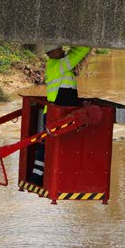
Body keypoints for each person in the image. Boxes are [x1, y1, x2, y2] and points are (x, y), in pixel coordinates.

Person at [30, 45, 91, 185]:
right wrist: (85, 40)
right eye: (59, 49)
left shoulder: (56, 65)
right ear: (51, 53)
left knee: (46, 145)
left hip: (55, 111)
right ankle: (38, 177)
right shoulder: (60, 65)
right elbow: (82, 50)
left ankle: (39, 177)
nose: (63, 50)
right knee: (46, 146)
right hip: (55, 113)